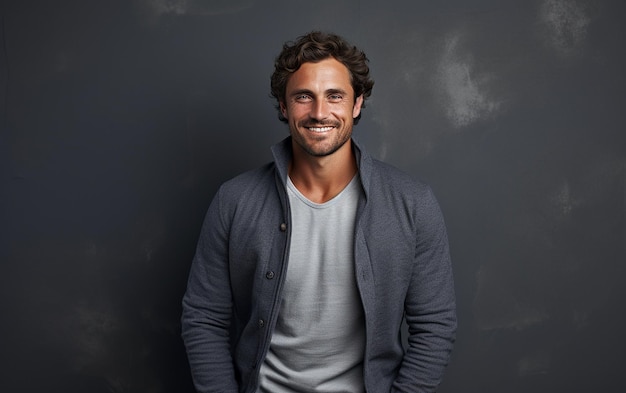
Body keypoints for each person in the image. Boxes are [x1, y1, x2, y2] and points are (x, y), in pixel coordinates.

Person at [181, 31, 457, 393]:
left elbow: (435, 325)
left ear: (357, 104)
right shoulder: (234, 200)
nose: (319, 112)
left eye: (334, 96)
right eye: (303, 97)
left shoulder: (412, 202)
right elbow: (204, 317)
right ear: (283, 106)